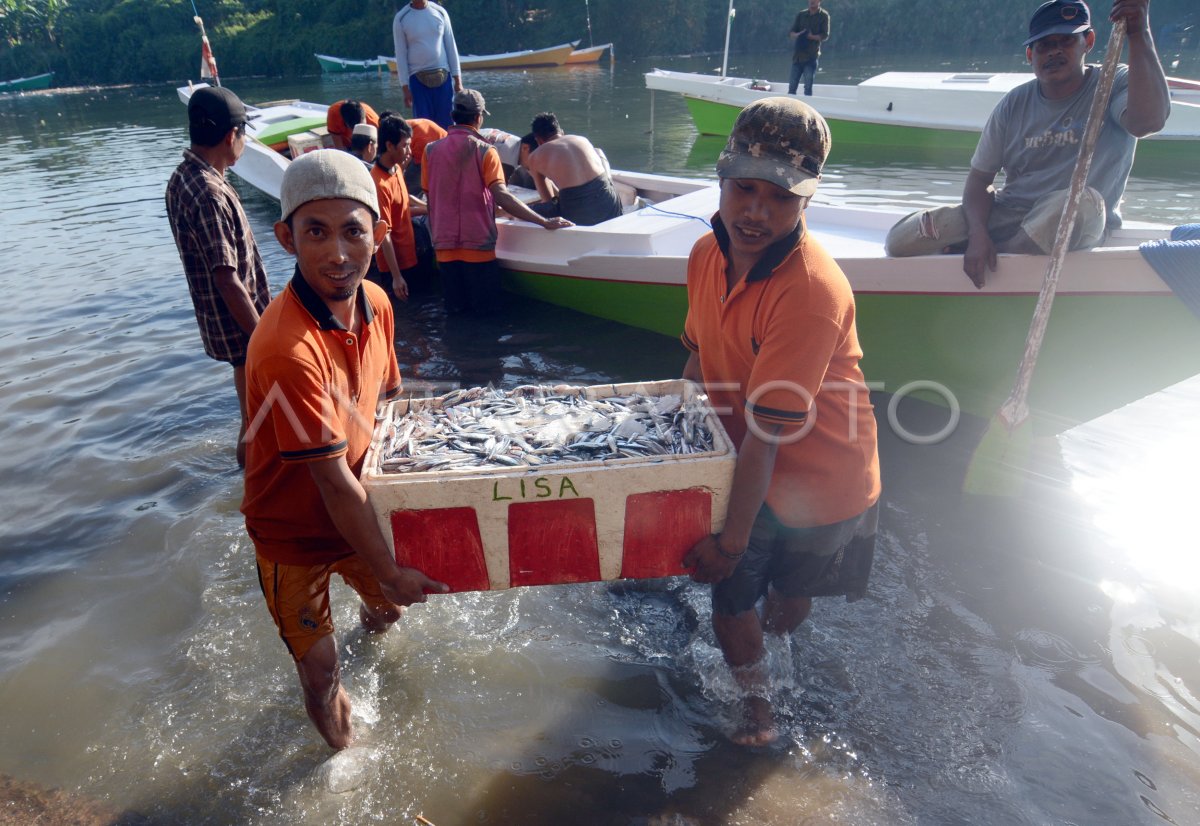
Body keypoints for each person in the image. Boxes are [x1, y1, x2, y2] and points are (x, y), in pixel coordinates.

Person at [680, 97, 881, 747]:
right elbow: (693, 354)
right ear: (721, 179)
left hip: (830, 476)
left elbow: (766, 438)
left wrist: (729, 543)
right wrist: (664, 441)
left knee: (790, 601)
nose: (756, 211)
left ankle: (770, 643)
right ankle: (759, 714)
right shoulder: (702, 258)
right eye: (744, 188)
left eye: (781, 197)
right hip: (756, 462)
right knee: (732, 602)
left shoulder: (811, 290)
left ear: (807, 201)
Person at [241, 149, 449, 750]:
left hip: (360, 511)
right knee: (322, 670)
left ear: (379, 234)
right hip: (293, 535)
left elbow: (387, 411)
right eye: (316, 232)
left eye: (353, 232)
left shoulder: (378, 305)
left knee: (389, 612)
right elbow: (332, 484)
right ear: (286, 238)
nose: (337, 253)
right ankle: (341, 756)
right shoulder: (288, 348)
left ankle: (371, 622)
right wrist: (390, 567)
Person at [884, 0, 1170, 288]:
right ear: (1030, 54)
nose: (1055, 51)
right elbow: (980, 179)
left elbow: (1148, 123)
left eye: (1066, 41)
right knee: (901, 240)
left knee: (1079, 201)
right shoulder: (1013, 103)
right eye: (1044, 45)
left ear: (1088, 41)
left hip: (1076, 219)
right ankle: (1002, 248)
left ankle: (1004, 255)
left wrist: (1139, 33)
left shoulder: (1113, 80)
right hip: (1010, 215)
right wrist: (978, 235)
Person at [165, 86, 271, 469]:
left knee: (252, 416)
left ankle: (251, 488)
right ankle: (253, 494)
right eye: (244, 133)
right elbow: (227, 277)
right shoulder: (211, 193)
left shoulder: (183, 177)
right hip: (240, 329)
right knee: (256, 421)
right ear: (231, 136)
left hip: (222, 325)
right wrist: (264, 339)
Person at [422, 90, 573, 315]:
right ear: (478, 117)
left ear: (453, 114)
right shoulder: (485, 151)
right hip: (478, 250)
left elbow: (430, 195)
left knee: (456, 316)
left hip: (444, 249)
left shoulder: (430, 150)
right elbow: (502, 195)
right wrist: (544, 221)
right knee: (486, 318)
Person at [525, 112, 624, 226]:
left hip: (578, 213)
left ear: (538, 140)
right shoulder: (582, 139)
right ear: (561, 132)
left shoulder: (535, 156)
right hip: (611, 205)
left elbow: (549, 201)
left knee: (525, 211)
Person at [369, 113, 417, 300]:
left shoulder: (396, 169)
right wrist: (396, 277)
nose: (409, 151)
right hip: (395, 266)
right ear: (389, 146)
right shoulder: (379, 183)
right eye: (405, 145)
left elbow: (404, 200)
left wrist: (428, 207)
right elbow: (384, 233)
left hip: (410, 255)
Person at [393, 0, 462, 129]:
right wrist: (405, 88)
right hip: (417, 80)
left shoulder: (440, 12)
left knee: (447, 125)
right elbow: (400, 54)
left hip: (443, 78)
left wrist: (458, 80)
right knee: (423, 127)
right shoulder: (401, 18)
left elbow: (451, 46)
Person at [788, 0, 830, 97]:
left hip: (811, 58)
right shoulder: (801, 15)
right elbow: (791, 33)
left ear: (819, 1)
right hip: (797, 57)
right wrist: (798, 34)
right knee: (792, 88)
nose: (812, 1)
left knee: (808, 89)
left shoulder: (824, 15)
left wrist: (811, 36)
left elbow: (825, 36)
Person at [403, 117, 447, 197]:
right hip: (436, 143)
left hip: (439, 151)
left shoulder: (420, 142)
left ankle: (412, 202)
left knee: (411, 184)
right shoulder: (403, 127)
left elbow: (410, 163)